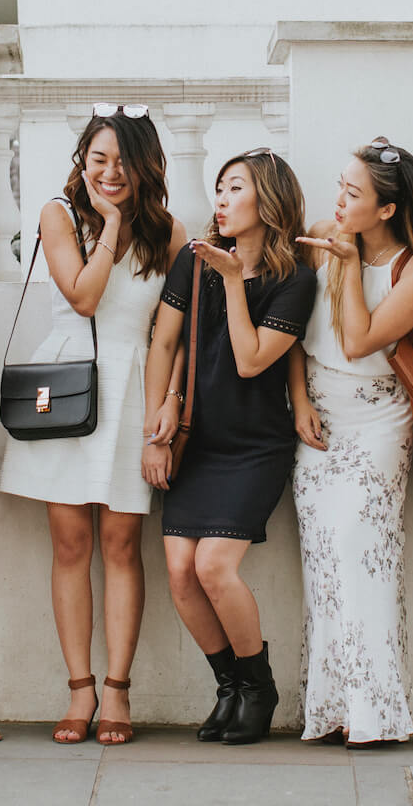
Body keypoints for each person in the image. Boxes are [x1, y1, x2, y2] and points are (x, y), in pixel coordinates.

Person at [0, 105, 187, 745]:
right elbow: (81, 295)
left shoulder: (171, 235)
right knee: (71, 547)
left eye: (121, 161)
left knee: (122, 547)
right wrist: (108, 224)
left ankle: (117, 692)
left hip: (136, 390)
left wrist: (171, 406)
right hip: (67, 387)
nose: (108, 172)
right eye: (96, 158)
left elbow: (174, 333)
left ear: (147, 167)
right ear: (83, 161)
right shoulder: (60, 214)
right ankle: (79, 689)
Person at [142, 148, 318, 746]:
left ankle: (260, 686)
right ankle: (230, 686)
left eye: (234, 187)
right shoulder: (191, 264)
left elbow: (248, 360)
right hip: (198, 439)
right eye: (218, 187)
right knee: (180, 573)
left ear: (266, 199)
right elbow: (167, 343)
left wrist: (235, 279)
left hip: (254, 445)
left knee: (214, 567)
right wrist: (159, 418)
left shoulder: (295, 277)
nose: (220, 198)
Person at [289, 138, 413, 747]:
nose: (340, 200)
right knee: (324, 564)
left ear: (386, 209)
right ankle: (331, 706)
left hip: (378, 424)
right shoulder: (322, 233)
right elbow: (294, 334)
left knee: (364, 557)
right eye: (341, 186)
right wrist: (300, 402)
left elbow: (358, 341)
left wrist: (350, 265)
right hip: (319, 422)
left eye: (355, 193)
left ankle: (375, 710)